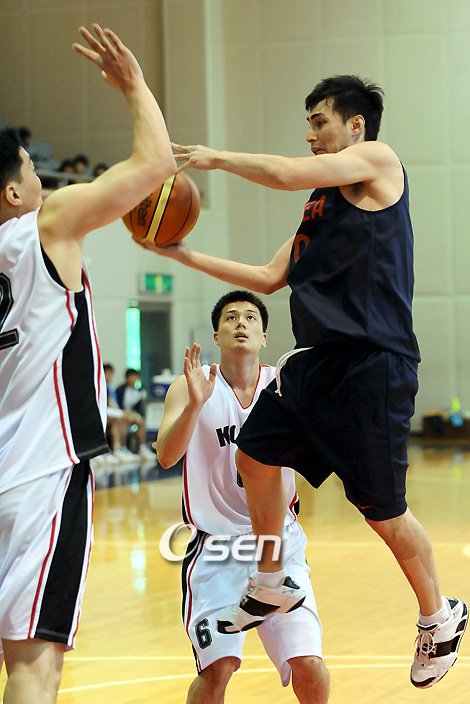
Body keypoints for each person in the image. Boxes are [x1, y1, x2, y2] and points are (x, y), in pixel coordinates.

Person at [136, 75, 467, 689]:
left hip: (372, 364)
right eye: (309, 124)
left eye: (320, 122)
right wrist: (181, 255)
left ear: (355, 126)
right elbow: (267, 277)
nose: (310, 134)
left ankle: (439, 616)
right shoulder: (321, 207)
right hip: (315, 364)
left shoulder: (379, 164)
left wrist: (214, 157)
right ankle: (271, 579)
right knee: (255, 455)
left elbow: (287, 173)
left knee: (383, 512)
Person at [0, 23, 176, 703]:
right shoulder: (43, 228)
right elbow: (156, 164)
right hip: (38, 472)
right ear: (13, 194)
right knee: (33, 666)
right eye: (32, 171)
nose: (43, 182)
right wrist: (134, 84)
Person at [157, 290, 329, 704]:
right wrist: (194, 405)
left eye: (251, 317)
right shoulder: (190, 385)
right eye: (231, 317)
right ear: (216, 335)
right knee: (217, 670)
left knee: (308, 662)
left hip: (277, 544)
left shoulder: (284, 386)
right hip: (216, 549)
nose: (241, 323)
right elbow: (166, 456)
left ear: (264, 337)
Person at [115, 368, 155, 462]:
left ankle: (142, 448)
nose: (133, 379)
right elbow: (118, 405)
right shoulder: (120, 390)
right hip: (122, 415)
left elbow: (139, 409)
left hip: (133, 415)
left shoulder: (139, 391)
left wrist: (135, 414)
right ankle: (122, 448)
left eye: (135, 377)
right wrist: (126, 413)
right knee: (123, 422)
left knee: (141, 422)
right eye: (131, 377)